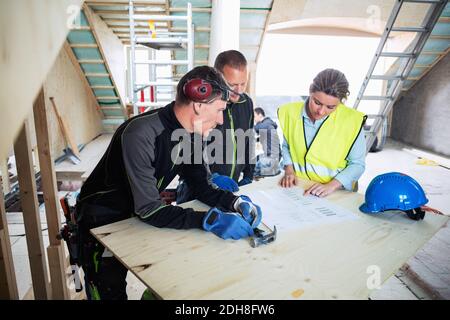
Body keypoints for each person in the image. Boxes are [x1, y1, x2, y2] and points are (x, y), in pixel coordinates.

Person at [75, 66, 262, 300]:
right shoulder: (140, 133)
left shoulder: (192, 133)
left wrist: (234, 203)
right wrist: (210, 219)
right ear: (198, 104)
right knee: (109, 290)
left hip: (138, 215)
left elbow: (200, 185)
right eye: (220, 110)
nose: (221, 120)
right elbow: (150, 209)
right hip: (102, 221)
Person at [177, 50, 256, 201]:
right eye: (232, 84)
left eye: (243, 83)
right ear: (217, 77)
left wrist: (248, 175)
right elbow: (182, 152)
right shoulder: (202, 104)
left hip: (230, 190)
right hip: (196, 190)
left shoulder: (246, 102)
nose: (238, 91)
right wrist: (210, 177)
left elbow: (249, 140)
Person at [278, 68, 367, 197]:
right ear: (310, 91)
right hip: (298, 188)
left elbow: (357, 164)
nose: (321, 111)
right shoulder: (289, 113)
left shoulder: (352, 121)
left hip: (335, 192)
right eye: (317, 102)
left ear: (341, 102)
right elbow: (287, 146)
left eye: (330, 107)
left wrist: (331, 186)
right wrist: (289, 170)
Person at [253, 107, 281, 177]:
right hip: (269, 155)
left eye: (254, 116)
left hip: (273, 157)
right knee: (253, 161)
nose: (254, 119)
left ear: (260, 115)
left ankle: (273, 170)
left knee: (254, 170)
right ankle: (271, 169)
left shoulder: (267, 123)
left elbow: (256, 128)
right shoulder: (267, 125)